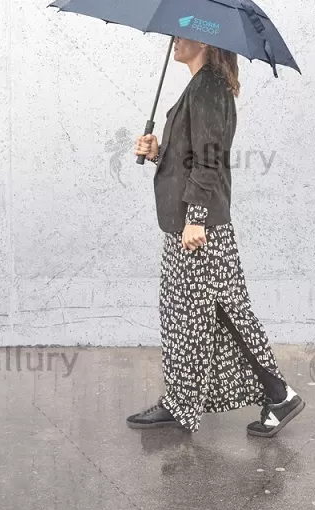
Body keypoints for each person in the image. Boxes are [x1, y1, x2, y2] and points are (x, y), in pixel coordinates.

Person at [127, 36, 305, 437]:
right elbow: (190, 156)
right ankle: (180, 400)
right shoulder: (201, 85)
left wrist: (197, 218)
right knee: (188, 317)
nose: (174, 40)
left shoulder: (208, 86)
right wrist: (157, 152)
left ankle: (279, 395)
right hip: (186, 224)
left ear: (205, 41)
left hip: (198, 227)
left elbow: (209, 160)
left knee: (224, 311)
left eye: (182, 33)